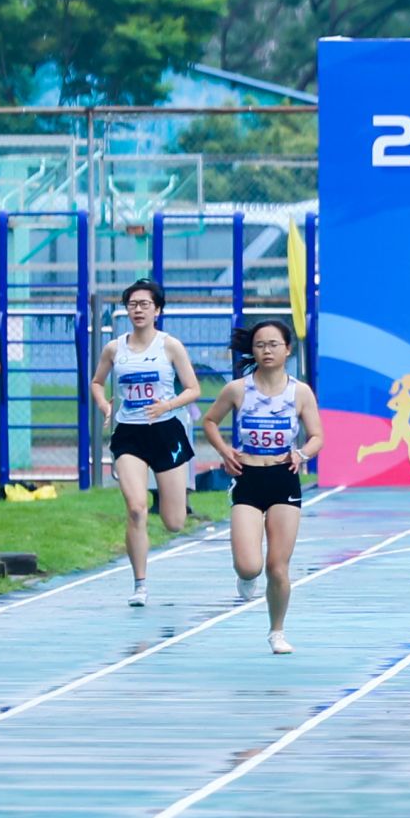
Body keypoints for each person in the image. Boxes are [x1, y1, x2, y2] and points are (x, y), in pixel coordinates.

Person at [199, 319, 323, 654]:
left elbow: (317, 436)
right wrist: (225, 451)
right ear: (252, 351)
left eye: (273, 344)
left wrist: (301, 453)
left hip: (283, 478)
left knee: (277, 567)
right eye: (260, 345)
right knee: (250, 565)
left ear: (287, 349)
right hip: (248, 478)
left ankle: (277, 631)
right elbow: (209, 421)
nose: (266, 350)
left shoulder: (300, 392)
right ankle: (245, 576)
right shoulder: (238, 389)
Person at [90, 278, 202, 606]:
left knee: (174, 522)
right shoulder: (114, 349)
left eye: (145, 305)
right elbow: (97, 382)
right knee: (137, 508)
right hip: (130, 434)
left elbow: (193, 389)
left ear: (157, 310)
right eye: (132, 305)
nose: (138, 310)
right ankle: (140, 584)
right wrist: (105, 405)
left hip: (166, 432)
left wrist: (168, 405)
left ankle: (171, 507)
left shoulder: (170, 346)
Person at [357, 373, 410, 475]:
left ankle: (365, 450)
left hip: (402, 421)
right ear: (407, 383)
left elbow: (399, 406)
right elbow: (393, 405)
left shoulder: (405, 393)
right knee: (409, 444)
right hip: (401, 422)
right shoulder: (403, 394)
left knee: (394, 445)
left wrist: (406, 408)